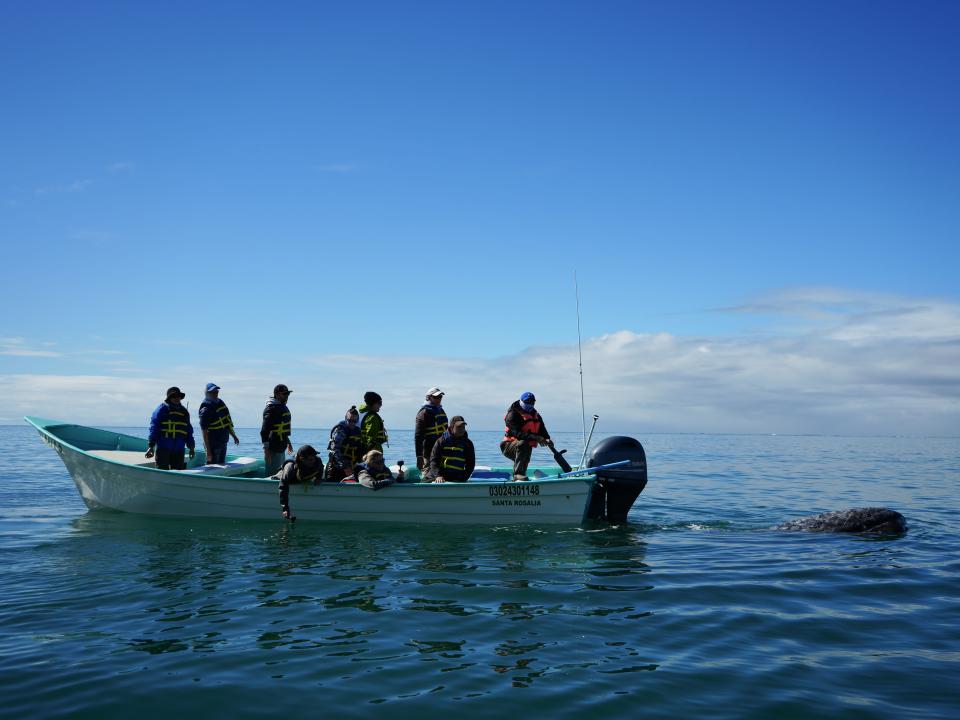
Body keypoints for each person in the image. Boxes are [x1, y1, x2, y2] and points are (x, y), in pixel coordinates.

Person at [500, 391, 553, 481]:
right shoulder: (513, 414)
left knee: (527, 446)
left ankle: (521, 476)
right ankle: (518, 475)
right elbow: (518, 434)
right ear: (521, 402)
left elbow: (543, 431)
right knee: (523, 444)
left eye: (532, 402)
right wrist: (537, 438)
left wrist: (547, 439)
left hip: (523, 445)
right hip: (507, 446)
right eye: (527, 402)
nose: (530, 405)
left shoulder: (536, 416)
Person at [145, 386, 196, 470]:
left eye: (178, 396)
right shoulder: (161, 409)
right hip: (163, 448)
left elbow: (188, 431)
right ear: (169, 398)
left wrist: (191, 447)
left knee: (179, 474)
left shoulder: (184, 412)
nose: (177, 398)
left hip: (179, 449)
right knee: (161, 472)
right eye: (174, 396)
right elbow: (154, 428)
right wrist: (151, 446)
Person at [275, 444, 324, 520]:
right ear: (302, 459)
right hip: (287, 477)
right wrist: (285, 508)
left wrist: (319, 478)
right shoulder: (290, 467)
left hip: (304, 477)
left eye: (314, 457)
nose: (313, 461)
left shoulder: (317, 460)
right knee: (279, 478)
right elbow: (283, 486)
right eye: (310, 459)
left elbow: (321, 467)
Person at [198, 382, 240, 464]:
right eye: (212, 392)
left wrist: (234, 435)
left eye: (216, 392)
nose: (215, 394)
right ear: (207, 393)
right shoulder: (206, 409)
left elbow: (226, 422)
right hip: (213, 443)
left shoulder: (220, 403)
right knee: (212, 467)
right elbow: (204, 432)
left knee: (221, 464)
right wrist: (208, 451)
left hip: (223, 441)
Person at [426, 415, 476, 483]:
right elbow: (434, 461)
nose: (462, 429)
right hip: (439, 477)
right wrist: (438, 475)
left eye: (463, 427)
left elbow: (470, 464)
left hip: (457, 477)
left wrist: (464, 478)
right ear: (451, 428)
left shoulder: (468, 444)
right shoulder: (441, 441)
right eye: (459, 427)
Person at [261, 384, 293, 477]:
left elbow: (282, 429)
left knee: (280, 472)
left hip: (281, 446)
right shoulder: (271, 409)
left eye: (288, 394)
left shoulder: (281, 407)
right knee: (272, 475)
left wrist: (288, 443)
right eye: (284, 394)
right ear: (277, 395)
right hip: (272, 448)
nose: (287, 396)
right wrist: (266, 450)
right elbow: (264, 430)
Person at [326, 406, 364, 482]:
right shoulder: (340, 430)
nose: (352, 423)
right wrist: (345, 466)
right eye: (350, 420)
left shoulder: (358, 431)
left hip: (351, 466)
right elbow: (334, 450)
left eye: (355, 421)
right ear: (345, 418)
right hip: (337, 467)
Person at [414, 387, 447, 472]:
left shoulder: (441, 410)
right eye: (436, 397)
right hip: (429, 451)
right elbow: (418, 436)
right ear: (429, 397)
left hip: (442, 449)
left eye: (440, 397)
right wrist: (419, 456)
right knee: (428, 472)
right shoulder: (423, 413)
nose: (439, 399)